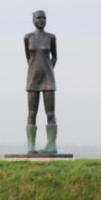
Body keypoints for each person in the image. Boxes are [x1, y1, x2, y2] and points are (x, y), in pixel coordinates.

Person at [24, 10, 58, 154]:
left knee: (50, 113)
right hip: (33, 79)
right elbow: (28, 58)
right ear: (33, 19)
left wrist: (48, 68)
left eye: (44, 18)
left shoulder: (51, 37)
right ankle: (31, 145)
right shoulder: (28, 37)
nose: (42, 20)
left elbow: (55, 57)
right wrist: (36, 69)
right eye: (38, 18)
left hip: (48, 79)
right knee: (32, 113)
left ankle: (51, 145)